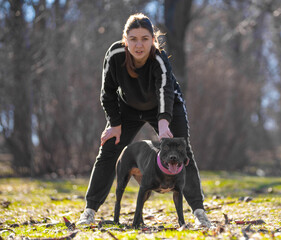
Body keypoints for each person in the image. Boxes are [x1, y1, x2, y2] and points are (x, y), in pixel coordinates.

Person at [77, 13, 211, 227]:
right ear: (125, 39)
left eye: (145, 39)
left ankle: (199, 214)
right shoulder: (115, 55)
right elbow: (107, 92)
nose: (139, 45)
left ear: (153, 40)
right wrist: (115, 124)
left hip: (165, 107)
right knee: (109, 149)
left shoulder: (159, 59)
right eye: (133, 39)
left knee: (184, 153)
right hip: (127, 108)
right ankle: (89, 210)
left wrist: (164, 121)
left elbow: (166, 91)